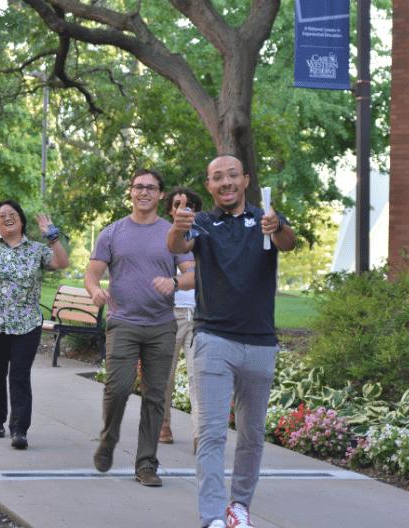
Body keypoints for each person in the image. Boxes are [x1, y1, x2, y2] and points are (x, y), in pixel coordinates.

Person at [167, 155, 296, 528]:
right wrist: (178, 226)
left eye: (232, 176)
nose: (226, 182)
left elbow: (288, 243)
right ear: (209, 186)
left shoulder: (266, 219)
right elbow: (178, 243)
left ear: (245, 180)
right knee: (210, 434)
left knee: (252, 434)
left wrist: (279, 226)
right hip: (213, 340)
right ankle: (212, 518)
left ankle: (239, 506)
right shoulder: (202, 223)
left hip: (260, 343)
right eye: (217, 177)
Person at [86, 168, 195, 488]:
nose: (144, 192)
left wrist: (173, 281)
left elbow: (192, 273)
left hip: (162, 325)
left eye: (151, 188)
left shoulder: (172, 233)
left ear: (162, 195)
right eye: (138, 187)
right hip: (123, 322)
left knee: (155, 398)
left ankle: (146, 463)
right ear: (131, 192)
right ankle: (108, 440)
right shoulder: (112, 232)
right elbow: (92, 273)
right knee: (117, 388)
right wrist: (94, 291)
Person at [0, 199, 69, 450]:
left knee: (19, 374)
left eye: (12, 213)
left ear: (20, 220)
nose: (8, 217)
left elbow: (62, 263)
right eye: (1, 215)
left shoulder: (37, 250)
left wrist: (52, 238)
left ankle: (19, 429)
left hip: (26, 325)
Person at [159, 186, 203, 448]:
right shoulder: (163, 236)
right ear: (169, 210)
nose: (182, 209)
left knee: (200, 376)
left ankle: (200, 433)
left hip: (200, 315)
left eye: (189, 205)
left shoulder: (204, 235)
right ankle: (163, 424)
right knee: (165, 375)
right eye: (177, 204)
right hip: (170, 314)